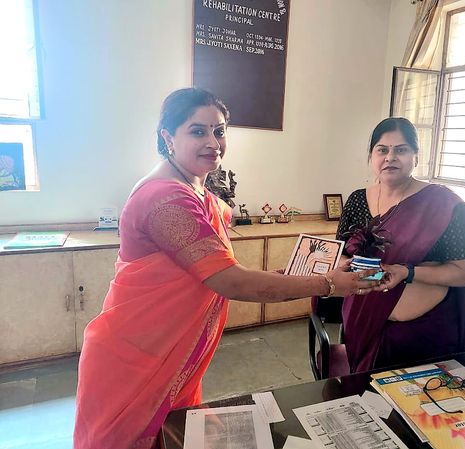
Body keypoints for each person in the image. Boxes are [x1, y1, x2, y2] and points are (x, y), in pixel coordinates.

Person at [73, 88, 381, 449]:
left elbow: (220, 271)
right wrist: (326, 284)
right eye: (197, 131)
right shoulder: (165, 199)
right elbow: (231, 282)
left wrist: (299, 273)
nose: (213, 142)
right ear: (168, 137)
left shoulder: (197, 193)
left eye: (219, 131)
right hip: (139, 357)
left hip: (173, 354)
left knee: (175, 437)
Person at [337, 117, 465, 374]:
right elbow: (338, 254)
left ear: (416, 157)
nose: (390, 157)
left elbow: (462, 274)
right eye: (382, 150)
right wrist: (349, 266)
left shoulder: (441, 205)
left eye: (401, 150)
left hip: (423, 336)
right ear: (371, 157)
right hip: (361, 324)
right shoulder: (357, 200)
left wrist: (407, 272)